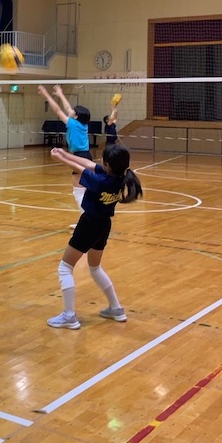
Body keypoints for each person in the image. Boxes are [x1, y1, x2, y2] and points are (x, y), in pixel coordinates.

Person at [47, 142, 142, 329]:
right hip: (103, 225)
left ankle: (69, 316)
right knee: (95, 268)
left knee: (65, 268)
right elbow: (87, 163)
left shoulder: (100, 181)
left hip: (89, 224)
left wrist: (60, 159)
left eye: (102, 161)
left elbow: (81, 169)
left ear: (107, 165)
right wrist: (66, 154)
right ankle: (116, 308)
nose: (99, 162)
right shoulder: (118, 176)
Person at [38, 84, 91, 215]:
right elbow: (68, 109)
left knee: (78, 190)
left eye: (74, 112)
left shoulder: (73, 123)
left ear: (76, 116)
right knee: (83, 189)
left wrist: (46, 95)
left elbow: (58, 111)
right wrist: (60, 94)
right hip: (85, 156)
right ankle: (85, 219)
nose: (71, 111)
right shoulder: (83, 125)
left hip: (79, 156)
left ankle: (85, 220)